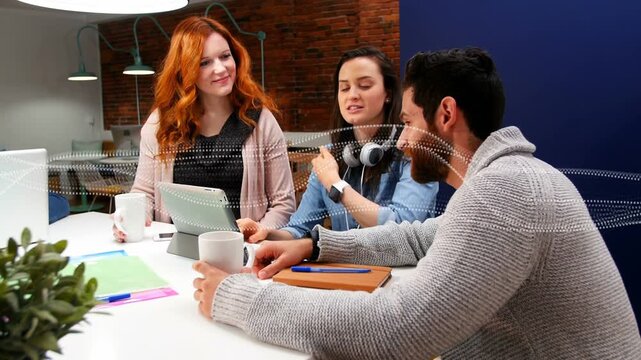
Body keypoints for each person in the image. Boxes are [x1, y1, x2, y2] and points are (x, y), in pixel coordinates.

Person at [192, 47, 641, 358]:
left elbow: (401, 329)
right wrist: (315, 247)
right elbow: (420, 237)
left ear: (445, 115)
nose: (403, 139)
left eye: (408, 122)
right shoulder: (508, 179)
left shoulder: (507, 190)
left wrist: (237, 298)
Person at [114, 17, 296, 241]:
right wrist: (129, 218)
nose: (220, 68)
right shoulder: (160, 124)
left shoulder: (262, 122)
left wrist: (260, 232)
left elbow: (283, 204)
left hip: (244, 252)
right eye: (204, 62)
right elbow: (144, 193)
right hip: (176, 249)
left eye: (225, 56)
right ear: (184, 70)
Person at [237, 47, 438, 243]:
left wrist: (337, 185)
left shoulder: (413, 152)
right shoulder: (330, 161)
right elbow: (299, 228)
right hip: (348, 272)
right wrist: (265, 232)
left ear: (388, 93)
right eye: (344, 88)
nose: (352, 95)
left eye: (365, 85)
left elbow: (402, 229)